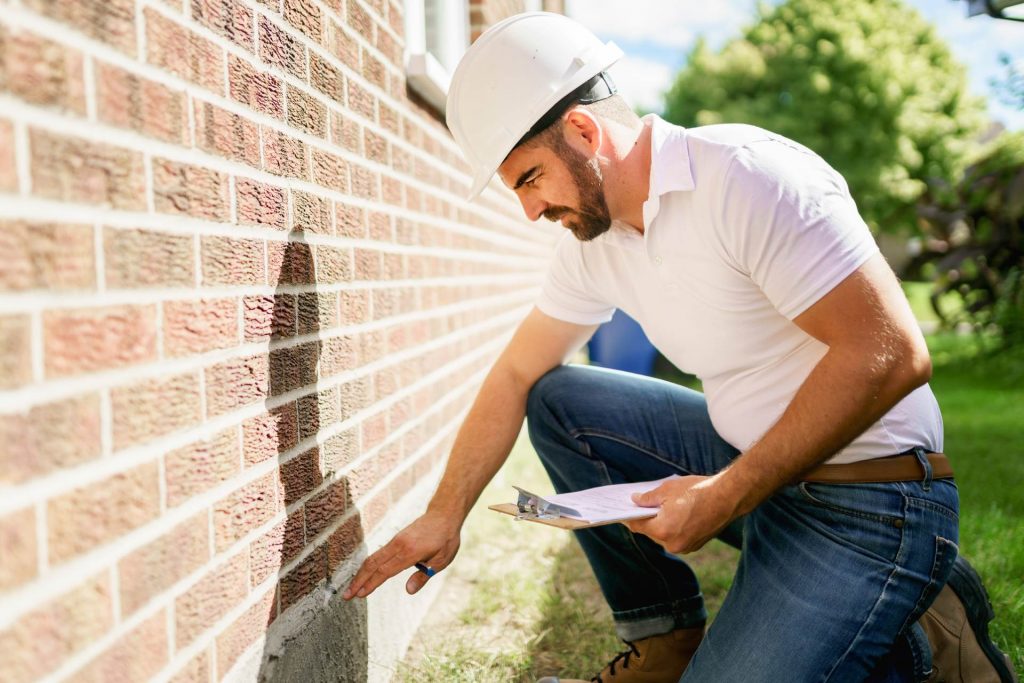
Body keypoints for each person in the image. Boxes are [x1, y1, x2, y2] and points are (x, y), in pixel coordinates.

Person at [343, 12, 1018, 683]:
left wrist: (726, 493)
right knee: (559, 399)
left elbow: (892, 352)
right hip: (762, 477)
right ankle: (667, 637)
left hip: (872, 505)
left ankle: (912, 635)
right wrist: (444, 512)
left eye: (530, 179)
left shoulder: (748, 177)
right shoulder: (595, 243)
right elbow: (518, 370)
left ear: (583, 130)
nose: (530, 210)